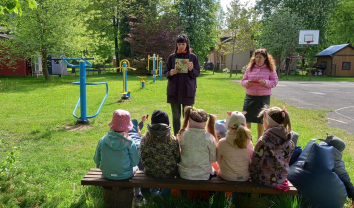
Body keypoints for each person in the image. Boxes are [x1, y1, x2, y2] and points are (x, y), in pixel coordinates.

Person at [93, 109, 141, 201]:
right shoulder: (130, 142)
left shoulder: (103, 140)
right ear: (128, 127)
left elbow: (96, 159)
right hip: (125, 174)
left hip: (107, 174)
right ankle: (138, 195)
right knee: (137, 169)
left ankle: (101, 189)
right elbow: (135, 162)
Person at [250, 106, 294, 191]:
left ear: (267, 122)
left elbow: (255, 162)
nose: (263, 122)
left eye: (263, 120)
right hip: (281, 179)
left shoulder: (264, 141)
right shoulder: (289, 140)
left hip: (264, 179)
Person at [164, 34, 201, 136]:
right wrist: (170, 73)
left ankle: (188, 136)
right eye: (179, 44)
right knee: (176, 116)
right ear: (176, 45)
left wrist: (191, 70)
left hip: (187, 91)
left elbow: (197, 73)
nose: (181, 46)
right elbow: (165, 72)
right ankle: (177, 136)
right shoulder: (172, 57)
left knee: (188, 116)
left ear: (187, 44)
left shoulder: (192, 57)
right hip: (174, 91)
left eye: (183, 44)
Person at [139, 110, 181, 198]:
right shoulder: (173, 140)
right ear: (167, 124)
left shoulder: (145, 139)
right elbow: (178, 158)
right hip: (170, 173)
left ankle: (154, 192)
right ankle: (164, 194)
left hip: (150, 172)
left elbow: (141, 156)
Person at [241, 48, 278, 140]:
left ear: (265, 58)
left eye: (260, 57)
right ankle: (248, 138)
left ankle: (259, 139)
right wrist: (247, 83)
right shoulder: (250, 68)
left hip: (263, 98)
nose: (258, 59)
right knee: (247, 118)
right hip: (250, 97)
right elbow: (243, 81)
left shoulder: (270, 69)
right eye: (256, 57)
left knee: (261, 120)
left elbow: (274, 82)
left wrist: (265, 82)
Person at [178, 106, 217, 180]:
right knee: (215, 171)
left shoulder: (183, 134)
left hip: (184, 173)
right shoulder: (209, 137)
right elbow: (213, 159)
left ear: (189, 120)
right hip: (204, 175)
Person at [217, 111, 253, 182]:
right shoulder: (249, 143)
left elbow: (218, 160)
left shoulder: (222, 142)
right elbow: (250, 160)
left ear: (228, 125)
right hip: (244, 177)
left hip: (226, 176)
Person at [320, 134, 354, 202]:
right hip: (324, 195)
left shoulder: (318, 153)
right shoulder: (336, 163)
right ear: (337, 151)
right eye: (342, 150)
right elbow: (346, 181)